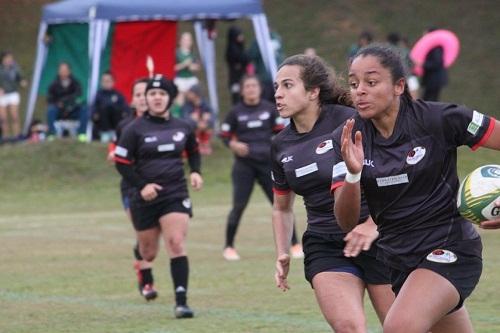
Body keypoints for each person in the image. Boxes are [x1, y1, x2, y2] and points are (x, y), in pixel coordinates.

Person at [332, 44, 500, 333]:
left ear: (399, 86)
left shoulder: (440, 119)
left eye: (371, 82)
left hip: (450, 249)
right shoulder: (348, 138)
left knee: (398, 327)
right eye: (354, 83)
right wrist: (353, 174)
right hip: (398, 261)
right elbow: (346, 222)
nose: (360, 90)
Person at [272, 54, 394, 331]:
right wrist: (282, 251)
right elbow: (281, 207)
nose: (278, 94)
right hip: (326, 244)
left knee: (402, 326)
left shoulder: (353, 121)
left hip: (380, 239)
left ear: (313, 91)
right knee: (349, 327)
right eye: (276, 87)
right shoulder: (280, 145)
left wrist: (372, 224)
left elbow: (397, 177)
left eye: (287, 85)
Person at [114, 75, 203, 318]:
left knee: (175, 242)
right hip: (144, 197)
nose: (156, 98)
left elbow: (193, 151)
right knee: (148, 253)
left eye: (161, 94)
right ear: (147, 98)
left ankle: (181, 302)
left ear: (170, 99)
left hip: (175, 192)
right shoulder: (133, 129)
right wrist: (142, 186)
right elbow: (121, 162)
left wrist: (195, 172)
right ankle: (143, 268)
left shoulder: (183, 126)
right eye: (152, 94)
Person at [219, 75, 303, 261]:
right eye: (247, 86)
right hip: (244, 166)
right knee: (238, 206)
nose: (251, 89)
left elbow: (282, 133)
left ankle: (295, 244)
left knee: (282, 204)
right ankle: (229, 246)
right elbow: (224, 135)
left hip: (268, 164)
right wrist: (233, 145)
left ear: (260, 89)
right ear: (242, 90)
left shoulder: (269, 109)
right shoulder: (235, 112)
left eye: (254, 85)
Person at [108, 77, 158, 301]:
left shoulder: (163, 123)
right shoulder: (124, 126)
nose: (142, 99)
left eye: (145, 94)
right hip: (131, 188)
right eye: (137, 95)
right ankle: (146, 281)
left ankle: (143, 265)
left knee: (153, 241)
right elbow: (114, 150)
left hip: (160, 187)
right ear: (132, 100)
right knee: (142, 235)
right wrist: (113, 154)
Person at [46, 62, 86, 141]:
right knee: (51, 110)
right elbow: (50, 99)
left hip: (72, 109)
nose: (63, 72)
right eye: (61, 70)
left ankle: (81, 134)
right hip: (59, 110)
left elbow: (78, 95)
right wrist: (58, 103)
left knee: (84, 110)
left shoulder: (75, 83)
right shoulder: (54, 84)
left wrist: (68, 102)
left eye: (65, 70)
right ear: (58, 71)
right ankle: (51, 133)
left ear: (69, 71)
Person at [248, 30, 285, 102]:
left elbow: (251, 55)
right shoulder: (276, 37)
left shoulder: (259, 40)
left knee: (266, 102)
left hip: (265, 78)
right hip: (277, 77)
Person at [92, 71, 129, 142]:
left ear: (113, 82)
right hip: (102, 126)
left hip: (116, 125)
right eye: (104, 81)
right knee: (104, 109)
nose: (106, 83)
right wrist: (94, 114)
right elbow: (93, 108)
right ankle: (105, 134)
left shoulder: (118, 95)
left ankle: (115, 134)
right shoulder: (98, 95)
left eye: (108, 81)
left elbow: (125, 108)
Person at [0, 51, 27, 139]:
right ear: (3, 59)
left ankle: (17, 136)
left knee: (15, 116)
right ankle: (5, 137)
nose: (10, 60)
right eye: (8, 58)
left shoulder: (15, 67)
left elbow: (20, 78)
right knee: (3, 118)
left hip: (13, 93)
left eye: (11, 58)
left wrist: (22, 82)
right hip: (2, 95)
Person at [181, 84, 214, 155]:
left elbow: (213, 116)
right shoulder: (187, 105)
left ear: (196, 94)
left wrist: (207, 120)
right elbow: (184, 118)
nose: (188, 94)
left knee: (208, 126)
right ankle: (198, 145)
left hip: (204, 125)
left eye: (190, 93)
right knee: (194, 127)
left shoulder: (205, 103)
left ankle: (205, 144)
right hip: (193, 127)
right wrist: (194, 121)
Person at [421, 28, 448, 101]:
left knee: (429, 100)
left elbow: (436, 63)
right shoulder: (433, 48)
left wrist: (423, 64)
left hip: (434, 79)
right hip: (432, 79)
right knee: (429, 99)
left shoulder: (436, 48)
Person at [174, 32, 200, 105]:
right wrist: (184, 64)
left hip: (191, 78)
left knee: (195, 96)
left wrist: (192, 67)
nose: (186, 42)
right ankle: (178, 114)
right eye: (184, 39)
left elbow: (197, 67)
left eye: (188, 40)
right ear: (180, 41)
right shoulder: (176, 53)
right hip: (180, 78)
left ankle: (194, 113)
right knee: (180, 96)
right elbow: (173, 68)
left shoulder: (192, 54)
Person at [225, 25, 248, 105]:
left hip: (243, 78)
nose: (241, 37)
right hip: (235, 79)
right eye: (239, 35)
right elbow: (241, 60)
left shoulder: (241, 47)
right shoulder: (231, 50)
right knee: (237, 98)